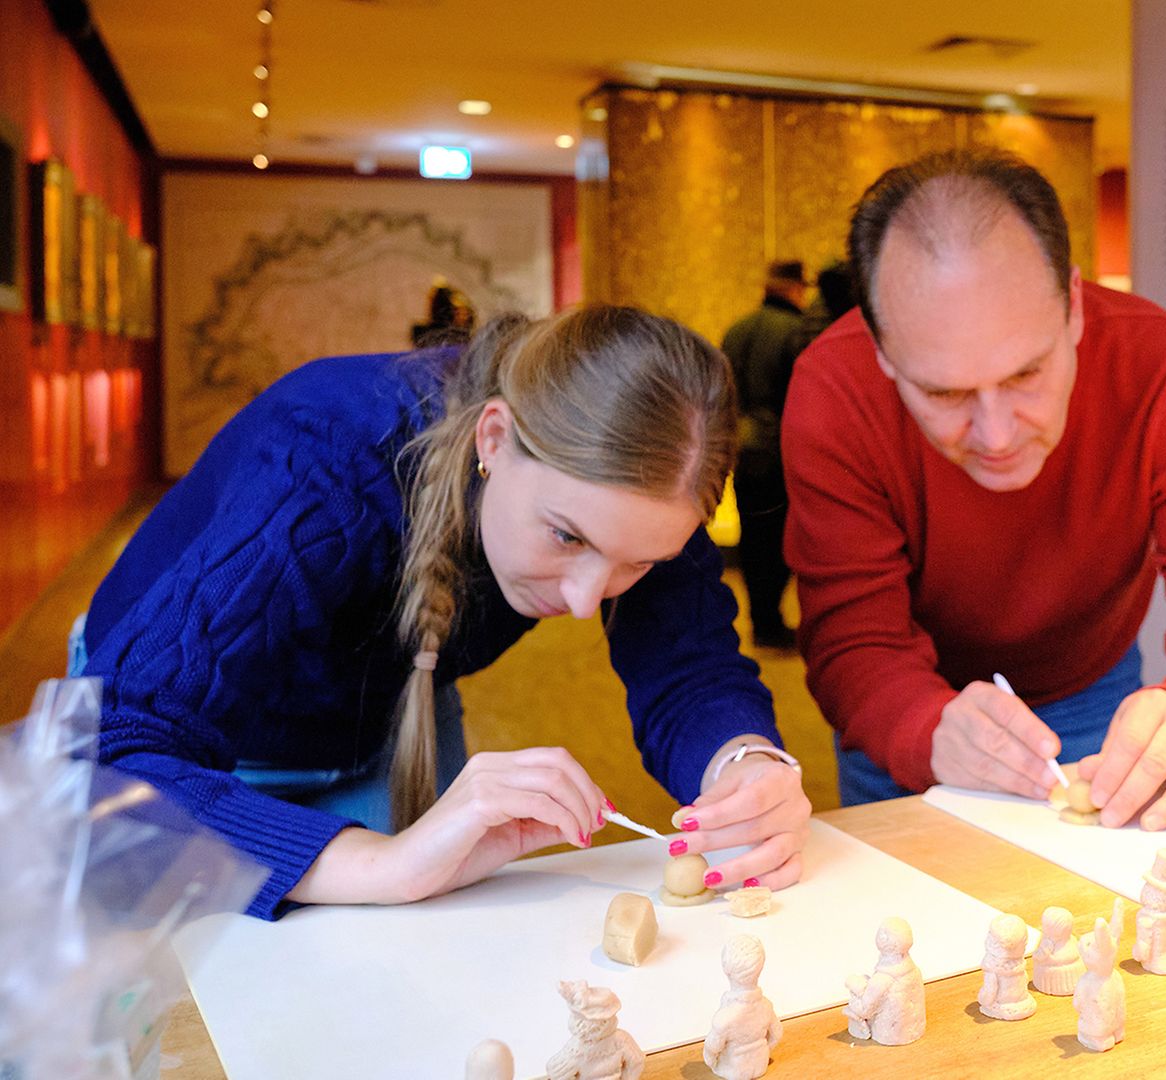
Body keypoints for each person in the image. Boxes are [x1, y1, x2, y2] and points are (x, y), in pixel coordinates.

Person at [81, 306, 810, 920]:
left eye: (638, 565)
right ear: (494, 439)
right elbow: (116, 755)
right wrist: (383, 866)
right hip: (179, 707)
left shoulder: (648, 491)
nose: (589, 601)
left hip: (389, 706)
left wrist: (743, 764)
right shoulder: (322, 458)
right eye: (566, 537)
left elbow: (690, 669)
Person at [783, 149, 1166, 826]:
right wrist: (924, 724)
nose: (997, 436)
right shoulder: (834, 388)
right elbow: (854, 644)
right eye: (944, 392)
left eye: (1027, 374)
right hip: (907, 710)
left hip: (1095, 694)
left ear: (1075, 308)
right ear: (884, 353)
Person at [720, 260, 812, 649]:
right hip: (782, 452)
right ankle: (771, 623)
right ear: (795, 288)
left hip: (742, 448)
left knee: (753, 536)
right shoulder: (796, 332)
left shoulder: (737, 329)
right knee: (780, 541)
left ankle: (760, 621)